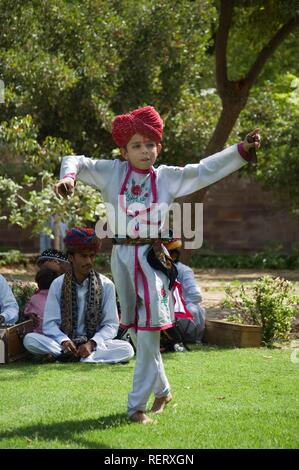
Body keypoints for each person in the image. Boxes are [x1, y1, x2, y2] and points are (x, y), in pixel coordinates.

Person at [54, 105, 260, 423]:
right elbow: (76, 161)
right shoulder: (112, 172)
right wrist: (68, 178)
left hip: (152, 261)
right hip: (121, 257)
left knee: (148, 331)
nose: (144, 150)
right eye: (136, 145)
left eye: (150, 144)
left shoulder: (167, 178)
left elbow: (204, 169)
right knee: (137, 331)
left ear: (158, 147)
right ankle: (163, 390)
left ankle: (135, 408)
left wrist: (241, 150)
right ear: (124, 151)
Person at [23, 227, 134, 364]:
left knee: (127, 349)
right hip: (64, 344)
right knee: (30, 339)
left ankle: (75, 356)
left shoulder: (106, 285)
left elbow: (111, 325)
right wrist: (64, 340)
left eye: (92, 256)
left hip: (94, 345)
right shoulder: (58, 284)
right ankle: (78, 356)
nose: (89, 261)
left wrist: (92, 343)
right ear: (71, 257)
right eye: (83, 256)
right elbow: (50, 323)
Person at [160, 238, 206, 352]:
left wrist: (177, 308)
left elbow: (195, 295)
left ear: (173, 255)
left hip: (181, 311)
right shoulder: (157, 270)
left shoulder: (184, 271)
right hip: (164, 311)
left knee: (192, 310)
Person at [24, 269, 60, 333]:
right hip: (59, 332)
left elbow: (26, 312)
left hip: (40, 332)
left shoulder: (34, 298)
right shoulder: (59, 296)